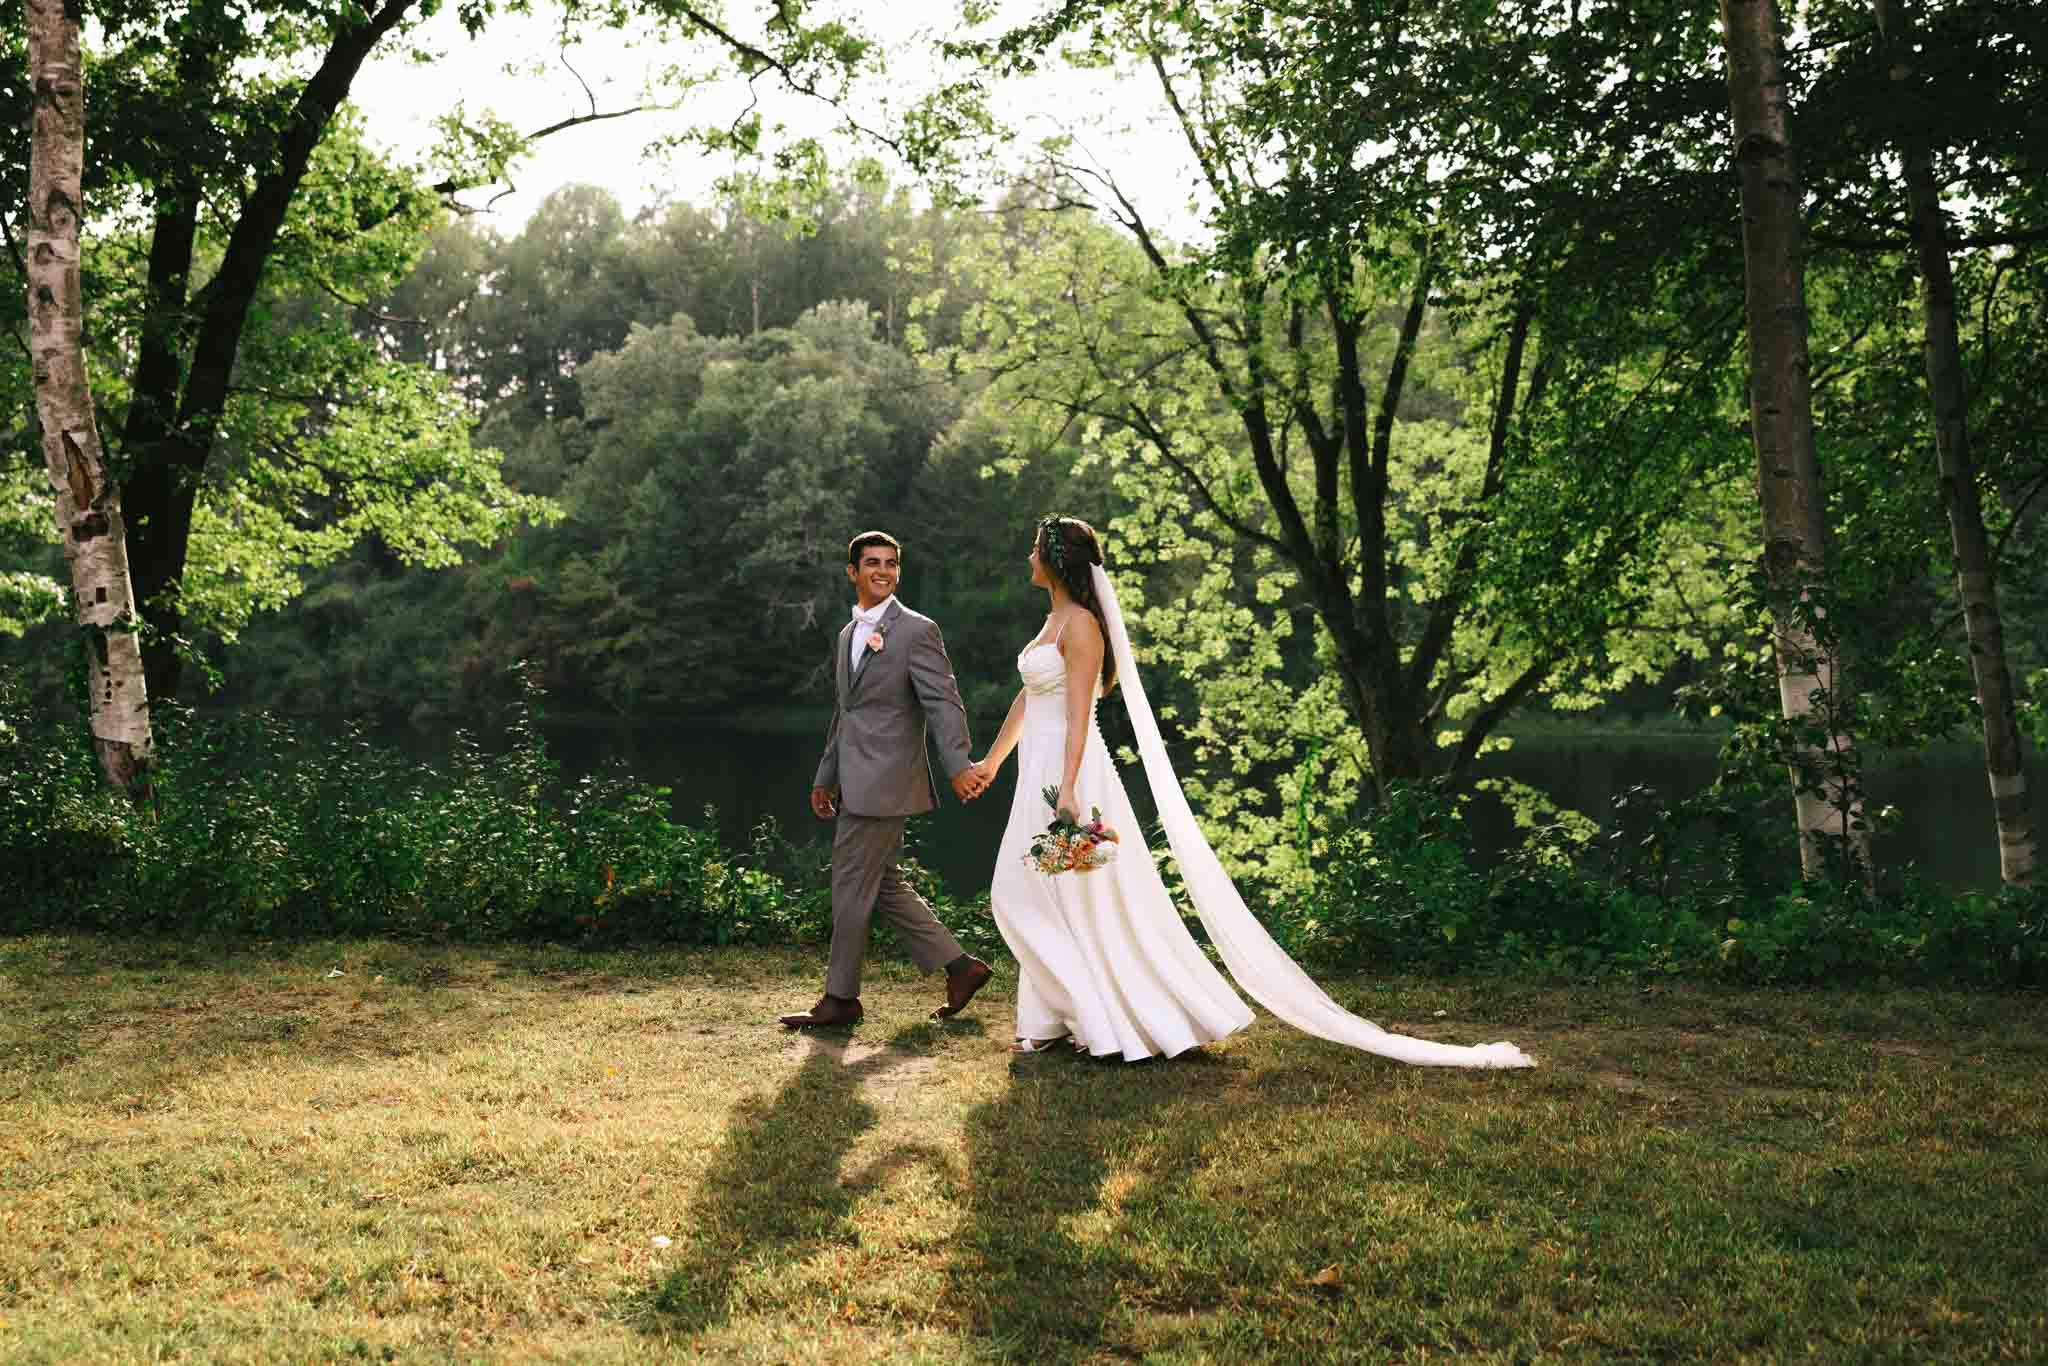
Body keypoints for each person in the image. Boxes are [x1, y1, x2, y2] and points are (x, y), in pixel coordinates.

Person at [969, 516, 1534, 1067]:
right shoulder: (1052, 622)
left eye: (1034, 548)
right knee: (1042, 894)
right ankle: (1057, 1021)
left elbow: (1078, 714)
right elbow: (1030, 698)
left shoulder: (1081, 627)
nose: (1028, 557)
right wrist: (993, 761)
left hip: (1070, 773)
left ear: (1055, 560)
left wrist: (1069, 787)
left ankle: (1093, 1015)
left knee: (1040, 894)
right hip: (1039, 771)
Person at [778, 531, 996, 1030]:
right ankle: (961, 967)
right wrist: (826, 775)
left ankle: (841, 999)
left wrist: (958, 765)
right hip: (853, 778)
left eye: (891, 563)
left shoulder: (917, 631)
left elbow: (944, 703)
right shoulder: (846, 635)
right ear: (852, 572)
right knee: (882, 884)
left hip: (886, 781)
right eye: (872, 562)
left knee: (849, 886)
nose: (883, 571)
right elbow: (846, 713)